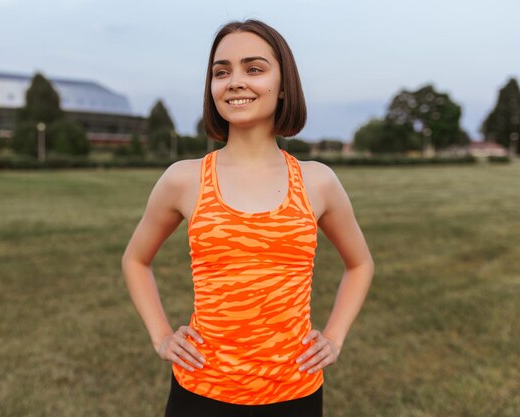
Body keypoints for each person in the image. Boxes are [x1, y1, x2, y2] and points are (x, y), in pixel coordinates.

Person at [121, 19, 375, 417]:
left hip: (295, 393)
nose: (235, 81)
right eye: (221, 72)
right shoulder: (184, 179)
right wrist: (161, 336)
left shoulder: (318, 181)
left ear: (284, 85)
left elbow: (360, 264)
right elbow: (135, 260)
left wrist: (335, 336)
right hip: (200, 391)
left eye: (253, 69)